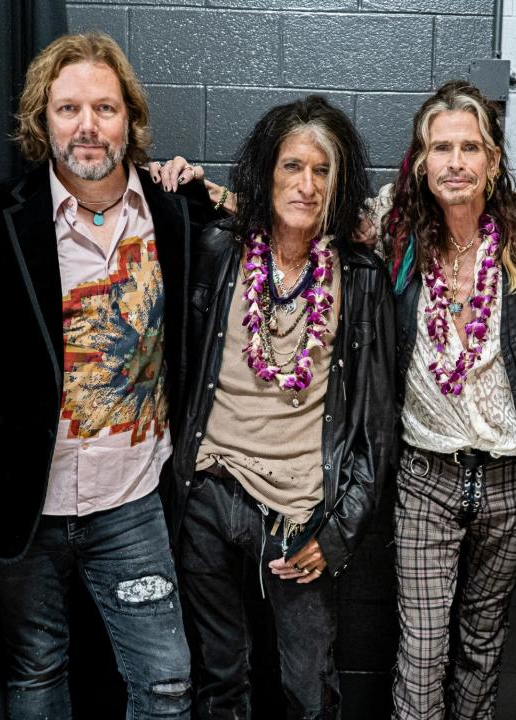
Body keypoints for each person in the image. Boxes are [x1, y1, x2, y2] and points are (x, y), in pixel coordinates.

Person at [0, 32, 222, 718]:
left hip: (131, 504)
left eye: (105, 107)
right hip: (21, 506)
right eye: (68, 109)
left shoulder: (173, 214)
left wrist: (207, 185)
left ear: (131, 119)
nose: (88, 126)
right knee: (38, 672)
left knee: (167, 683)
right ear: (42, 121)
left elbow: (277, 213)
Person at [157, 96, 395, 719]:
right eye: (292, 166)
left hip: (300, 515)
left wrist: (339, 534)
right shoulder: (220, 249)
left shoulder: (361, 276)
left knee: (310, 688)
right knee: (219, 678)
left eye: (322, 171)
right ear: (267, 172)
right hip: (208, 495)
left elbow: (375, 425)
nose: (307, 184)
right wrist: (176, 185)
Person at [377, 80, 516, 720]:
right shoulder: (391, 229)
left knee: (483, 646)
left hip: (511, 478)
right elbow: (298, 211)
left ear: (493, 160)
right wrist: (194, 185)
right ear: (421, 162)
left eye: (470, 147)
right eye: (441, 148)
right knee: (422, 652)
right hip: (427, 475)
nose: (455, 162)